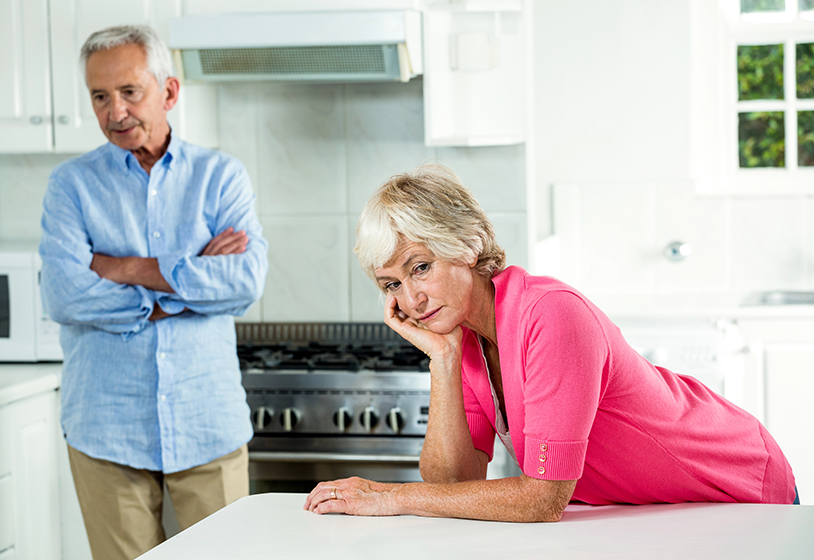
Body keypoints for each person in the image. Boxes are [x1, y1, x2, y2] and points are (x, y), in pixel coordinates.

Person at [304, 163, 798, 522]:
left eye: (420, 267)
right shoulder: (467, 338)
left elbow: (541, 499)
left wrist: (390, 497)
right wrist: (444, 360)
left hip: (737, 487)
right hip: (654, 515)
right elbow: (452, 485)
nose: (410, 298)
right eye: (391, 284)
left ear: (468, 244)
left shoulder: (550, 314)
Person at [39, 25, 268, 559]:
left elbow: (244, 282)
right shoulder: (70, 186)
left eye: (129, 92)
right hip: (104, 427)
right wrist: (188, 282)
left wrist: (124, 268)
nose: (115, 111)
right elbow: (66, 297)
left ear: (168, 92)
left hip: (206, 419)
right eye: (100, 96)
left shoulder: (222, 177)